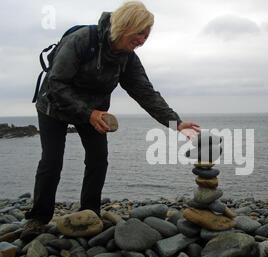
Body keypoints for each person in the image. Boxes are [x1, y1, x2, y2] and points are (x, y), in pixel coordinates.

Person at [20, 1, 201, 242]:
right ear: (126, 26)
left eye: (147, 35)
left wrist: (175, 123)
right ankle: (39, 218)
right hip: (54, 104)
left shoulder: (127, 58)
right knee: (52, 161)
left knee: (98, 160)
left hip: (94, 111)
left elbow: (145, 92)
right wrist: (89, 113)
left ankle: (90, 213)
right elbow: (56, 84)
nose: (143, 40)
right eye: (140, 33)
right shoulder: (82, 41)